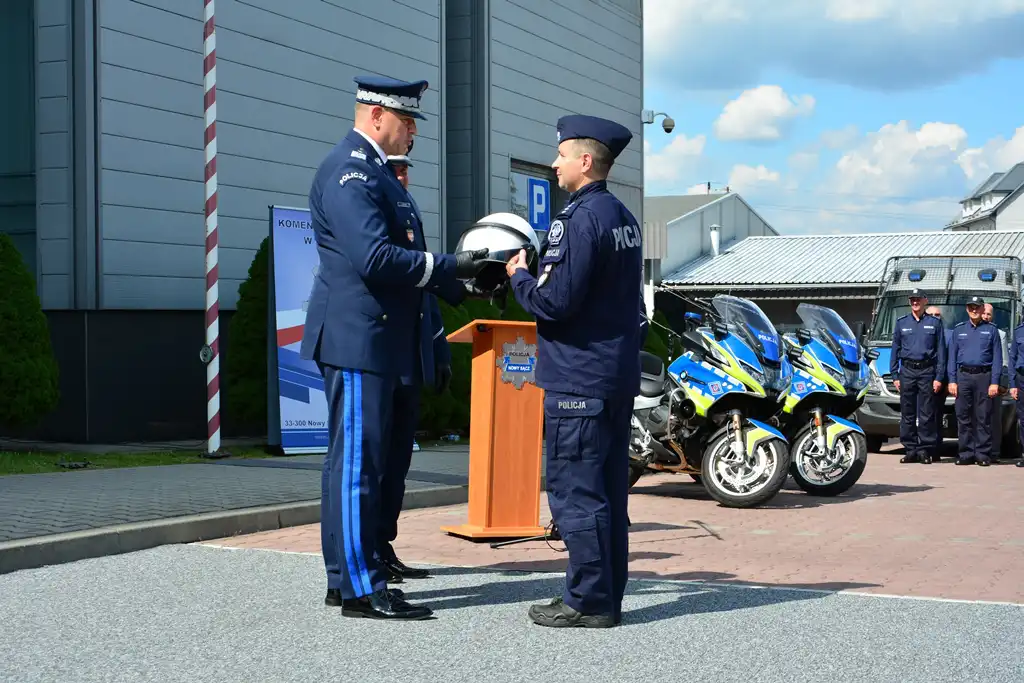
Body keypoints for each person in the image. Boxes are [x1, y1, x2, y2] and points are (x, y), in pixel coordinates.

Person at [301, 75, 490, 621]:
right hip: (361, 337)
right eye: (407, 123)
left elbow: (409, 260)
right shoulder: (351, 170)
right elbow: (376, 260)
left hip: (377, 337)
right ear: (376, 116)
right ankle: (360, 587)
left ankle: (349, 577)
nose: (412, 134)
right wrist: (452, 267)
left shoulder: (375, 174)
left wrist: (470, 281)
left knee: (361, 462)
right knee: (358, 465)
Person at [505, 114, 643, 628]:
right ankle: (605, 596)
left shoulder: (578, 219)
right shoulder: (622, 216)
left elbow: (556, 301)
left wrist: (520, 277)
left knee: (575, 493)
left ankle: (586, 602)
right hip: (611, 378)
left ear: (586, 162)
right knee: (608, 492)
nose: (555, 162)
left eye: (562, 154)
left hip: (577, 381)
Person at [375, 150, 450, 582]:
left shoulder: (409, 214)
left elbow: (426, 292)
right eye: (394, 168)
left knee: (399, 460)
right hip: (383, 354)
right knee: (379, 459)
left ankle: (385, 544)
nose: (402, 175)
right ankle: (368, 550)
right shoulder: (376, 214)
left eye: (405, 169)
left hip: (409, 354)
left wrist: (437, 350)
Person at [890, 290, 945, 464]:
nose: (915, 303)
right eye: (912, 300)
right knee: (907, 413)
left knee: (926, 413)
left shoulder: (934, 323)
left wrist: (939, 377)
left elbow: (941, 352)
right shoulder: (901, 323)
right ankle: (910, 449)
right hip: (906, 372)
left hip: (927, 372)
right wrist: (894, 375)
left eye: (918, 300)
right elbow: (895, 350)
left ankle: (924, 450)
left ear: (925, 301)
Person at [947, 296, 1002, 466]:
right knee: (963, 417)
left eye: (977, 307)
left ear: (981, 309)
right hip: (963, 377)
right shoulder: (959, 330)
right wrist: (952, 380)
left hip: (983, 377)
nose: (974, 310)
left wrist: (994, 382)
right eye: (971, 307)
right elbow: (952, 358)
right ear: (967, 309)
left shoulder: (991, 330)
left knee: (983, 416)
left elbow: (997, 359)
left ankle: (982, 454)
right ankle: (965, 453)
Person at [925, 305, 952, 460]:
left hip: (940, 382)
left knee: (935, 416)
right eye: (932, 314)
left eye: (938, 315)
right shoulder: (920, 331)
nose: (935, 317)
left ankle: (934, 450)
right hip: (920, 378)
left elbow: (950, 360)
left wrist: (945, 380)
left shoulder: (949, 335)